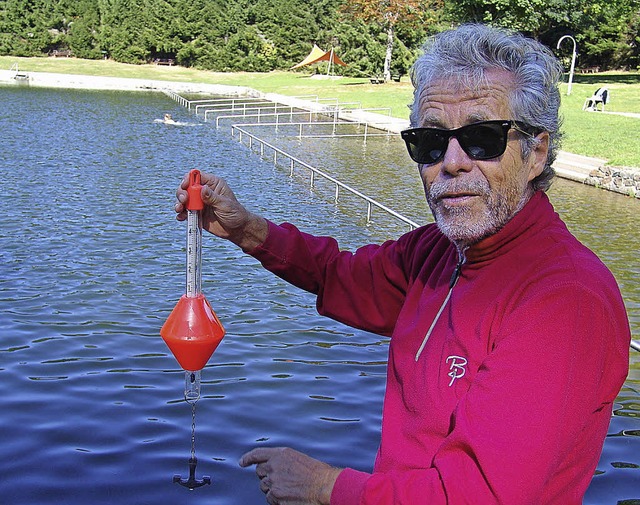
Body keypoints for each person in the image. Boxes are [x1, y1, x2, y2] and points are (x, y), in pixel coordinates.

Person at [174, 24, 631, 505]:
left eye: (482, 138)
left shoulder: (565, 303)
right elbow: (340, 275)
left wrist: (325, 488)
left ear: (536, 152)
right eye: (431, 142)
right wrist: (245, 228)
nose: (452, 162)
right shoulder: (440, 251)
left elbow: (481, 496)